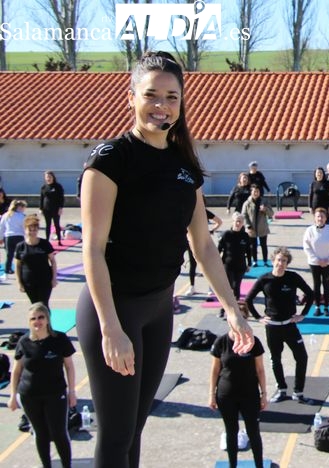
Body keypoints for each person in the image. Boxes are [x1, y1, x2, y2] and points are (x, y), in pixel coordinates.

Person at [77, 51, 253, 467]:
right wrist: (110, 328)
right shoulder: (110, 160)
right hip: (114, 308)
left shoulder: (183, 164)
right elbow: (93, 249)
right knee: (116, 436)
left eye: (172, 97)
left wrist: (232, 309)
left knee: (136, 427)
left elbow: (204, 245)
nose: (162, 105)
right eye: (151, 95)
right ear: (131, 97)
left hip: (158, 308)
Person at [8, 303, 77, 468]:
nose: (37, 321)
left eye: (41, 317)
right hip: (30, 395)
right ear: (29, 322)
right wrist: (12, 396)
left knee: (59, 433)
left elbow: (69, 366)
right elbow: (16, 371)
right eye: (33, 319)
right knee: (40, 433)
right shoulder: (24, 342)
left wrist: (72, 392)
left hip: (55, 393)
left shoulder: (59, 339)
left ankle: (66, 465)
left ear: (47, 319)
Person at [244, 247, 314, 403]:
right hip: (273, 327)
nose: (281, 264)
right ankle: (281, 389)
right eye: (278, 260)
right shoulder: (264, 279)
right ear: (272, 261)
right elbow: (248, 299)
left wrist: (303, 314)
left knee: (302, 357)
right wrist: (258, 317)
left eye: (284, 261)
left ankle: (298, 392)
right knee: (276, 359)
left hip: (290, 325)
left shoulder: (293, 277)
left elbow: (310, 294)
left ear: (287, 263)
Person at [208, 330, 267, 468]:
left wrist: (264, 394)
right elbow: (215, 370)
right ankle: (232, 465)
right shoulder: (221, 342)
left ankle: (259, 465)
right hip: (226, 396)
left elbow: (260, 370)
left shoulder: (254, 342)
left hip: (250, 395)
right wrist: (211, 394)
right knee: (231, 431)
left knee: (253, 432)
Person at [302, 208, 329, 317]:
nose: (320, 219)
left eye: (322, 217)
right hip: (314, 262)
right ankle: (317, 306)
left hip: (328, 262)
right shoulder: (309, 230)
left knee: (326, 282)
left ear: (326, 218)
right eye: (318, 216)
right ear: (314, 218)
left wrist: (328, 259)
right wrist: (317, 260)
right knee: (316, 284)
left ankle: (327, 306)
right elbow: (306, 247)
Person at [15, 215, 58, 307]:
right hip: (28, 281)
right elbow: (18, 266)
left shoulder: (45, 243)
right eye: (29, 230)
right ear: (25, 230)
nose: (32, 232)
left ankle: (47, 321)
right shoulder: (20, 246)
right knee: (34, 305)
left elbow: (53, 261)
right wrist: (19, 283)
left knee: (44, 305)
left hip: (45, 280)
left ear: (38, 230)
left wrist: (54, 278)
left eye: (34, 230)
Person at [217, 213, 250, 317]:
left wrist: (249, 263)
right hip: (228, 264)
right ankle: (223, 309)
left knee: (237, 287)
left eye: (240, 221)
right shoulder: (226, 234)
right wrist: (218, 262)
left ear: (243, 224)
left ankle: (236, 310)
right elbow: (219, 249)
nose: (238, 223)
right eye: (237, 221)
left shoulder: (245, 236)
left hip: (240, 266)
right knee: (228, 288)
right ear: (233, 222)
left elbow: (249, 251)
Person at [186, 207, 223, 295]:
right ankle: (192, 287)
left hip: (203, 241)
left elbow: (219, 221)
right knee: (193, 264)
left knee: (206, 265)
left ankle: (210, 287)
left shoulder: (204, 211)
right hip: (191, 241)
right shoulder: (188, 212)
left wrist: (211, 230)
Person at [242, 185, 273, 267]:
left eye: (257, 191)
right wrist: (248, 226)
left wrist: (265, 209)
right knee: (253, 246)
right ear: (251, 192)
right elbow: (244, 215)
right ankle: (255, 261)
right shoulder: (247, 203)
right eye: (254, 191)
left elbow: (271, 214)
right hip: (251, 228)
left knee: (264, 245)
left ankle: (265, 261)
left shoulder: (264, 201)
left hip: (262, 227)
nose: (256, 193)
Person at [0, 199, 27, 274]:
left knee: (9, 255)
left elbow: (2, 227)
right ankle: (22, 269)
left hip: (8, 237)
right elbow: (24, 227)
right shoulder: (22, 216)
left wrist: (1, 238)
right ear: (19, 207)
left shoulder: (6, 215)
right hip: (19, 236)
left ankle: (7, 268)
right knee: (21, 254)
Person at [39, 170, 65, 246]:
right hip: (46, 209)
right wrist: (40, 208)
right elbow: (41, 198)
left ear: (53, 177)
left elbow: (61, 198)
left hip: (56, 209)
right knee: (48, 225)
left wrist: (61, 208)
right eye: (47, 177)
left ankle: (59, 240)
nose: (48, 178)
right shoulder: (43, 187)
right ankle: (47, 240)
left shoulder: (58, 186)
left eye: (50, 177)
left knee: (57, 224)